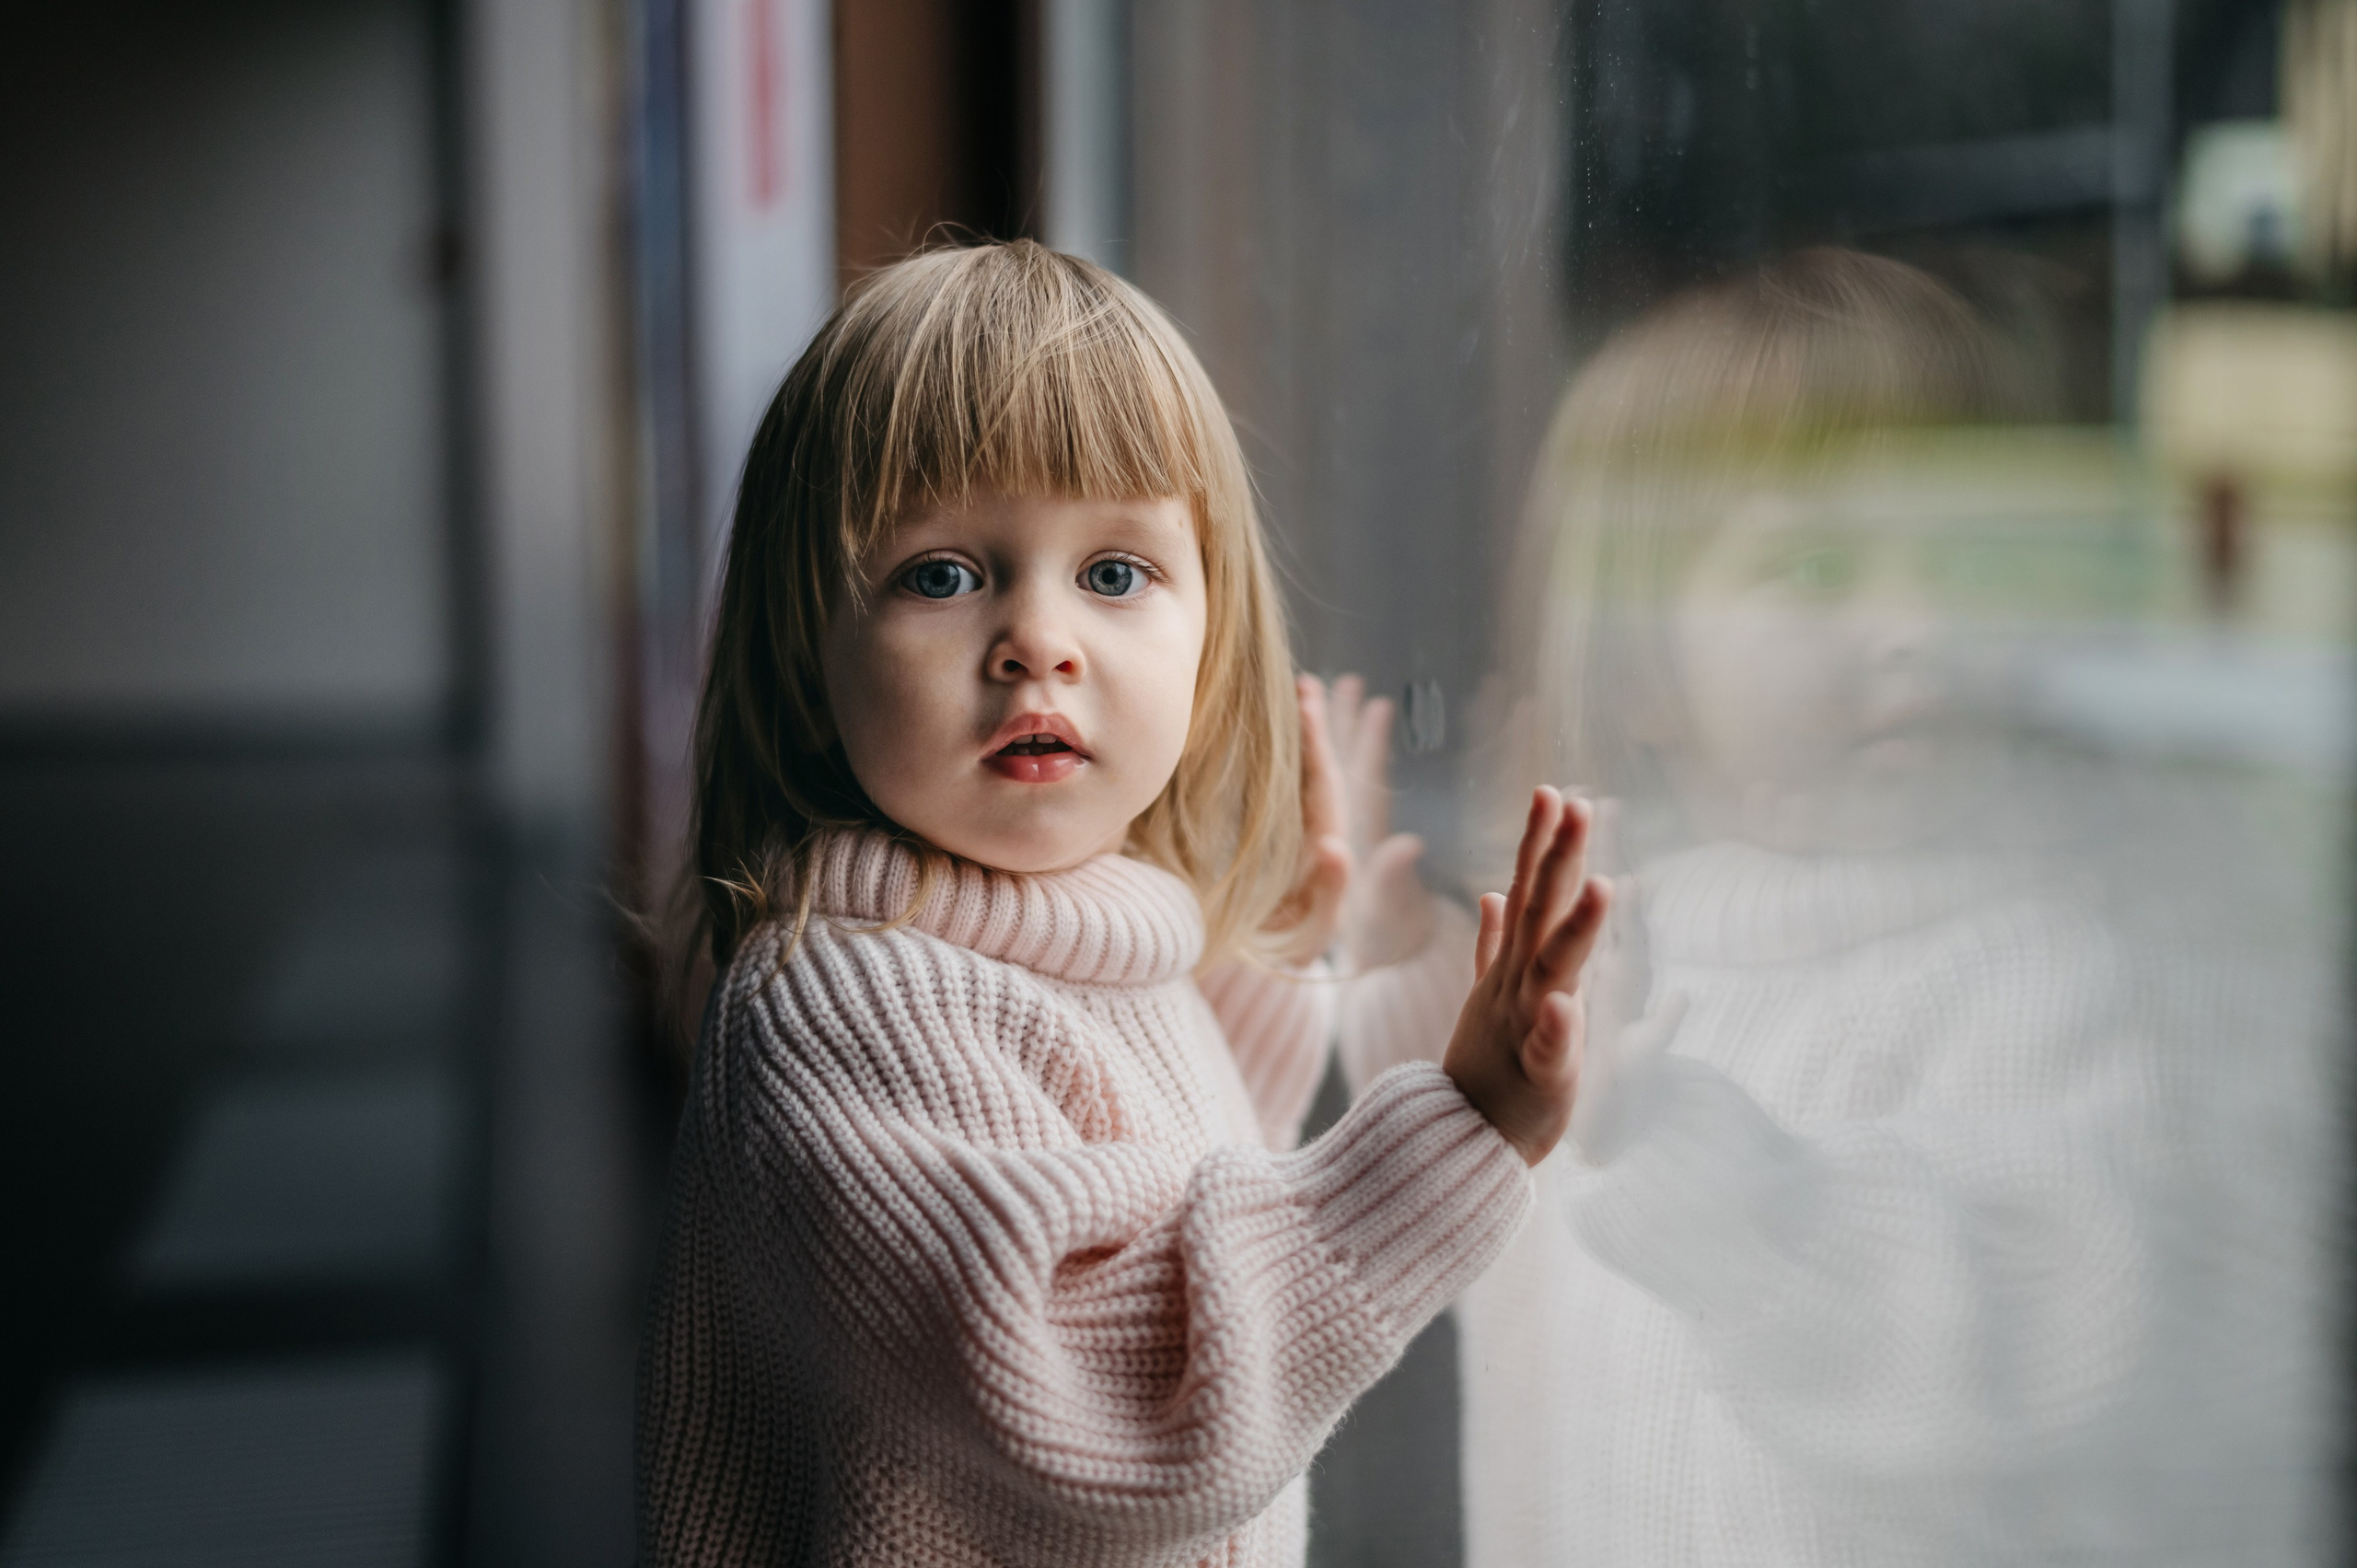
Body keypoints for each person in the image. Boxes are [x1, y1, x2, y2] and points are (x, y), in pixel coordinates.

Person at [1333, 249, 2331, 1565]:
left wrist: (1716, 1176)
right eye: (1815, 572)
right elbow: (1498, 1260)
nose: (1916, 621)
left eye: (1969, 554)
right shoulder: (1615, 935)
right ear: (1640, 666)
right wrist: (1396, 979)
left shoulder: (2065, 970)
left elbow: (2053, 1333)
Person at [634, 239, 1614, 1568]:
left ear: (1212, 644)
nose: (1040, 639)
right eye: (942, 573)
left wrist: (1273, 960)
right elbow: (1104, 1387)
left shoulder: (1063, 943)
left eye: (1112, 574)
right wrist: (1459, 1133)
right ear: (809, 658)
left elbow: (1149, 1173)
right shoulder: (838, 1008)